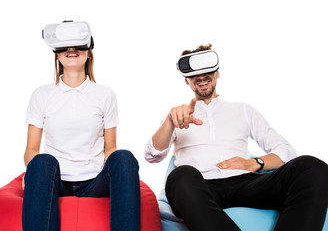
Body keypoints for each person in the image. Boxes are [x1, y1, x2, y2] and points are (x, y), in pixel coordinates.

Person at [144, 43, 328, 231]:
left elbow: (287, 151)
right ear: (186, 81)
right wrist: (169, 121)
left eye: (207, 71)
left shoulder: (243, 110)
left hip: (245, 182)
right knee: (180, 176)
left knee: (312, 167)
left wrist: (254, 163)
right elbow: (152, 155)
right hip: (199, 188)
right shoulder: (178, 115)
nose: (201, 77)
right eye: (194, 74)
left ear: (217, 73)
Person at [22, 21, 140, 231]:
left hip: (94, 181)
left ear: (88, 53)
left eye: (77, 45)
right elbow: (31, 150)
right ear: (57, 55)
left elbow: (110, 148)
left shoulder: (105, 95)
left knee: (124, 157)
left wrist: (119, 174)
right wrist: (32, 174)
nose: (71, 50)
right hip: (55, 181)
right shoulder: (41, 95)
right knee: (41, 161)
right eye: (65, 47)